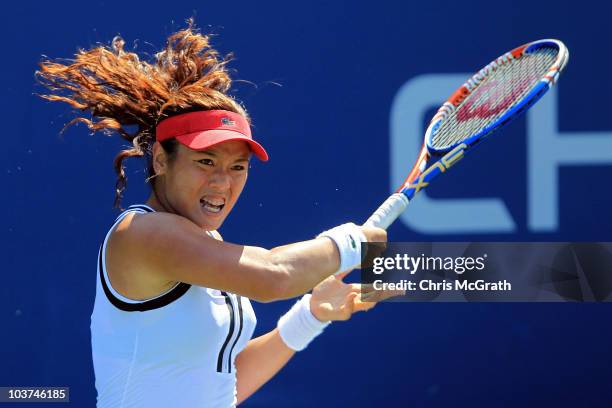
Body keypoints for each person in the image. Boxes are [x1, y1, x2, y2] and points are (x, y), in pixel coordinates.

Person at [37, 21, 393, 407]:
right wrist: (350, 243)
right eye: (205, 161)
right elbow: (273, 275)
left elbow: (218, 383)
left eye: (238, 167)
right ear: (160, 159)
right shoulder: (142, 234)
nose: (222, 182)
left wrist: (310, 316)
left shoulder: (206, 246)